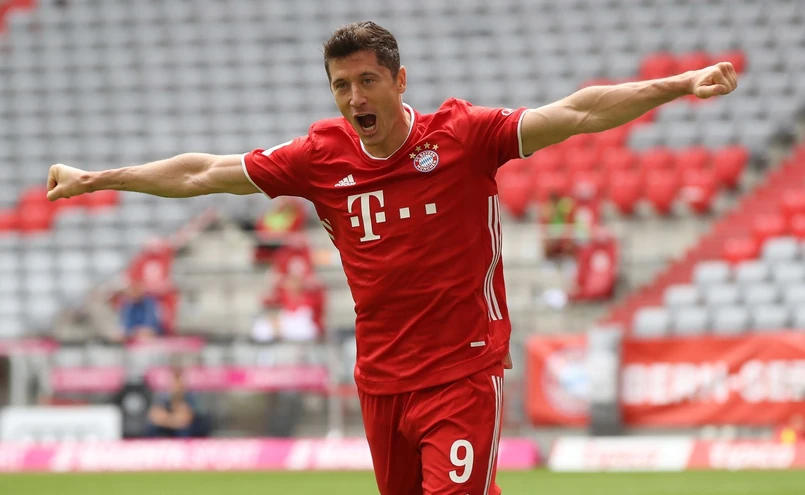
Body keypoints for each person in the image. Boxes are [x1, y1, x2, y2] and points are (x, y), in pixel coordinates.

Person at [45, 21, 738, 494]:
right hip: (380, 379)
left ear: (400, 80)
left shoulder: (464, 137)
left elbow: (578, 112)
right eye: (341, 85)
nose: (355, 98)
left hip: (461, 371)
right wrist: (99, 179)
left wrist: (678, 84)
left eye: (367, 81)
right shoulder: (319, 157)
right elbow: (204, 172)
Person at [146, 367, 206, 438]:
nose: (176, 386)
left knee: (184, 429)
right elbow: (155, 416)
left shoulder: (190, 396)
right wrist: (172, 421)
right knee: (152, 427)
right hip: (170, 426)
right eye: (174, 382)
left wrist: (166, 419)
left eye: (178, 382)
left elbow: (184, 420)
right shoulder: (162, 396)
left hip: (188, 429)